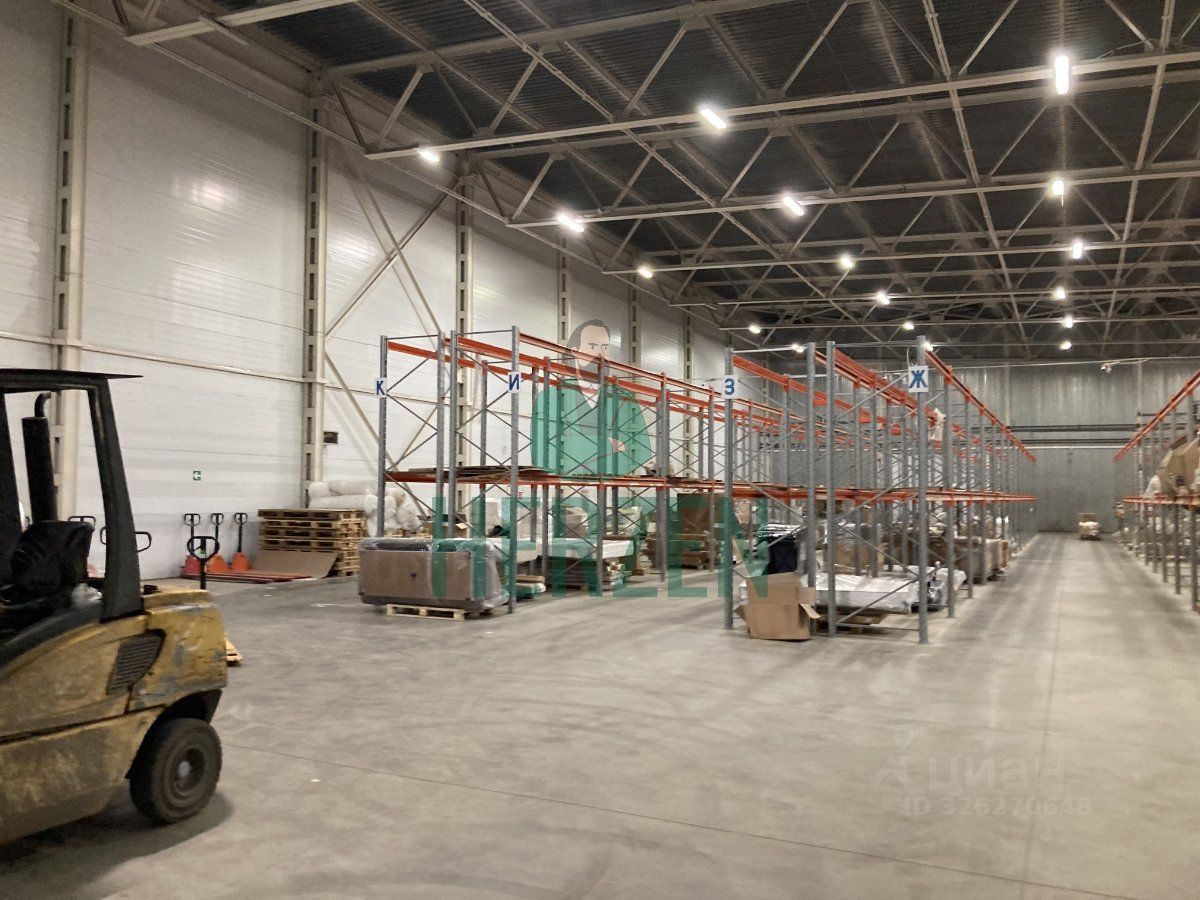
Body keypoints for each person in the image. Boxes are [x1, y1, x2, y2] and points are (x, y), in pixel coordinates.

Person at [531, 319, 652, 477]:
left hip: (608, 480)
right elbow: (540, 453)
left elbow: (642, 452)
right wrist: (606, 444)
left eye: (605, 348)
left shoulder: (625, 398)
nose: (600, 355)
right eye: (593, 347)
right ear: (575, 351)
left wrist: (574, 446)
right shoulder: (549, 397)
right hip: (568, 482)